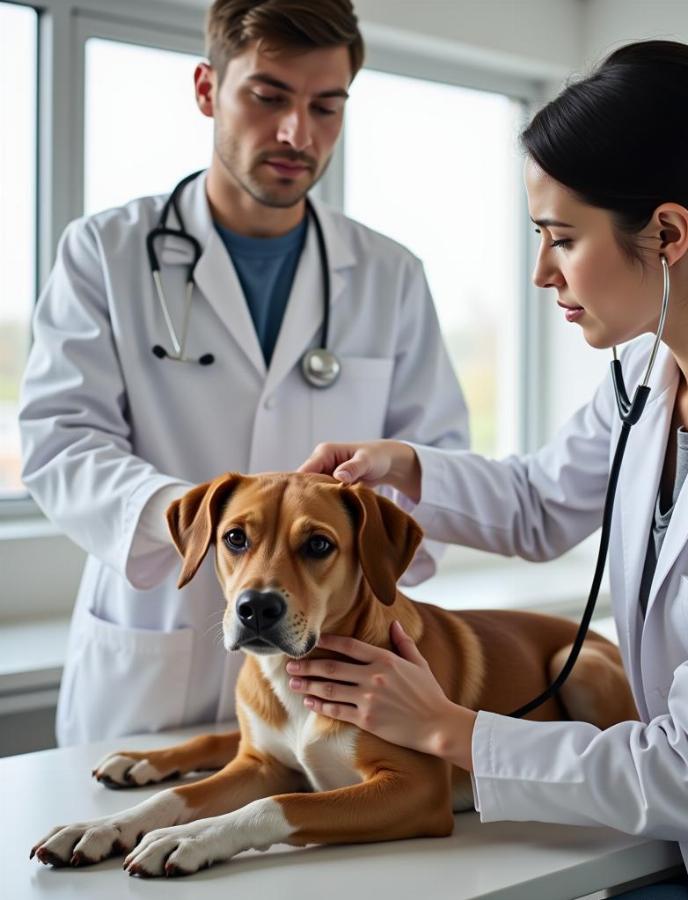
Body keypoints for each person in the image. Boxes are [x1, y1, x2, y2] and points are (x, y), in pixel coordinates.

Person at [288, 40, 688, 900]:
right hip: (685, 851)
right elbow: (542, 506)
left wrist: (448, 728)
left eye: (561, 238)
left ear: (669, 234)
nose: (542, 272)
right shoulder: (648, 380)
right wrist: (401, 465)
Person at [17, 0, 468, 747]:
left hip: (327, 675)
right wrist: (203, 525)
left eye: (327, 107)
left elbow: (435, 462)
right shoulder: (105, 251)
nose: (298, 133)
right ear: (206, 90)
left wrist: (334, 559)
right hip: (156, 658)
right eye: (268, 97)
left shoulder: (389, 275)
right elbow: (60, 442)